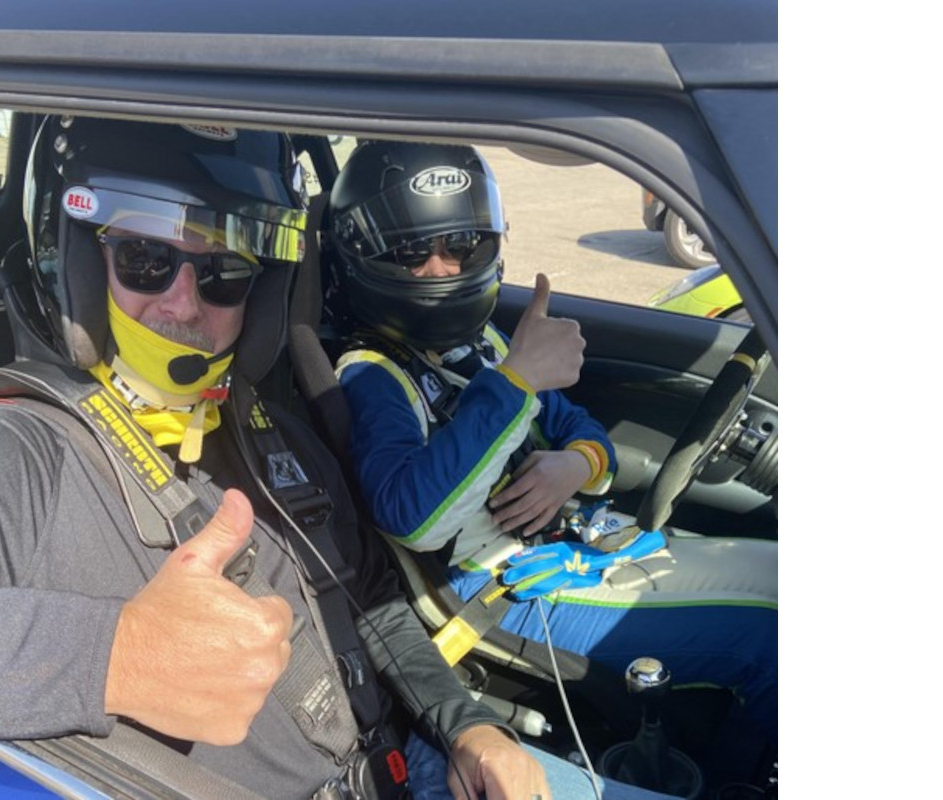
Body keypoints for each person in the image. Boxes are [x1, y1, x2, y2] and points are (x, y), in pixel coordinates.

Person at [0, 117, 681, 800]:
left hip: (408, 762)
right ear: (79, 263)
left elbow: (372, 597)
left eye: (223, 273)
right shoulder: (10, 453)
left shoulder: (263, 425)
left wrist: (469, 729)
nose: (183, 303)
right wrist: (116, 656)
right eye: (145, 259)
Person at [326, 140, 778, 751]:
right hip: (503, 592)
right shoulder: (370, 374)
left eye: (462, 247)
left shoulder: (480, 339)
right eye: (411, 253)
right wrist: (514, 382)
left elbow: (585, 433)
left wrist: (575, 465)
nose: (442, 270)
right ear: (365, 257)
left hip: (574, 545)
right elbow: (412, 517)